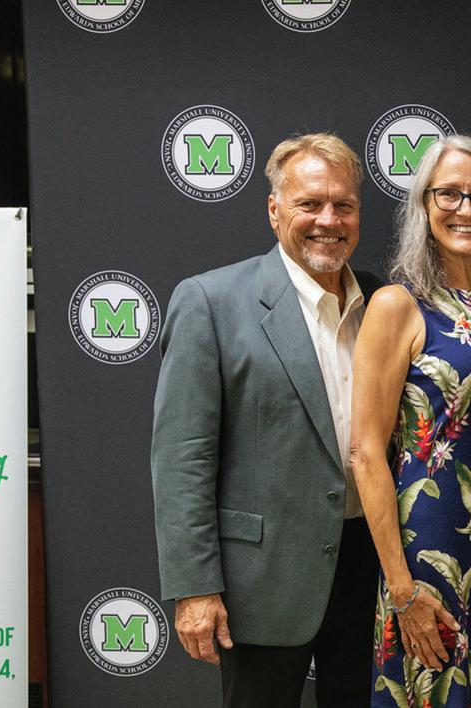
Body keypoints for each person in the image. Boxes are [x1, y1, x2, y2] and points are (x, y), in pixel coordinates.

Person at [151, 133, 381, 706]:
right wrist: (195, 587)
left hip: (372, 570)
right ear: (274, 210)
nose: (328, 220)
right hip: (262, 579)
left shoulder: (383, 302)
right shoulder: (210, 301)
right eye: (310, 203)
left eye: (344, 205)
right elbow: (183, 458)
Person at [350, 135, 471, 708]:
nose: (466, 209)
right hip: (427, 555)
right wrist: (402, 589)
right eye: (449, 193)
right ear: (424, 206)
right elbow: (365, 452)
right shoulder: (398, 305)